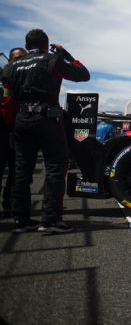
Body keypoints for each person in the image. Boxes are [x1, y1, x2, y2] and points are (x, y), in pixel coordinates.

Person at [2, 29, 90, 233]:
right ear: (46, 44)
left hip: (22, 120)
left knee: (21, 171)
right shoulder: (52, 60)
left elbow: (9, 97)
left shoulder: (11, 67)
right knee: (55, 168)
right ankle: (50, 221)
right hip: (48, 119)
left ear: (26, 45)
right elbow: (83, 75)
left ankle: (21, 220)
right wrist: (65, 54)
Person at [0, 47, 26, 217]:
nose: (18, 62)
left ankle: (9, 204)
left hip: (18, 133)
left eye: (22, 59)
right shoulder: (4, 81)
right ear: (9, 61)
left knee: (16, 173)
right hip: (2, 131)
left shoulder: (26, 82)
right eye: (15, 59)